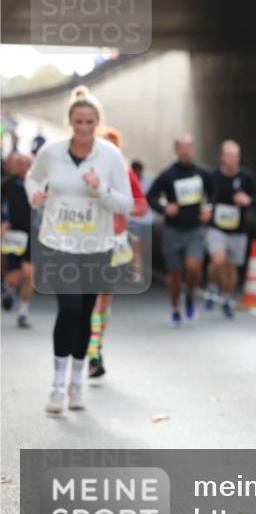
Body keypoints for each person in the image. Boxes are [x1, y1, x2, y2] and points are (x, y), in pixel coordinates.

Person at [25, 86, 133, 414]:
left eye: (89, 122)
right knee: (69, 308)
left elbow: (126, 203)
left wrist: (100, 188)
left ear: (98, 122)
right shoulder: (51, 152)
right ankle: (57, 385)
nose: (83, 127)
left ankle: (76, 385)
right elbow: (32, 178)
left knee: (86, 313)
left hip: (96, 244)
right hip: (58, 241)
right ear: (69, 122)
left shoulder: (110, 156)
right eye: (78, 121)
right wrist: (35, 195)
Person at [86, 126, 148, 378]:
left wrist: (125, 206)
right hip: (89, 241)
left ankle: (96, 346)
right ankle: (93, 353)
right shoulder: (88, 172)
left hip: (116, 241)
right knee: (95, 300)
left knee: (105, 300)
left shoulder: (125, 172)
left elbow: (142, 205)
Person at [145, 135, 211, 326]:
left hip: (195, 229)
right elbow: (150, 196)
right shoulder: (168, 175)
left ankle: (189, 294)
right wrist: (164, 208)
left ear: (193, 149)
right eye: (181, 147)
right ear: (175, 150)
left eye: (188, 147)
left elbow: (215, 193)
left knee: (193, 268)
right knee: (174, 273)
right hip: (173, 230)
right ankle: (175, 307)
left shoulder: (202, 173)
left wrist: (209, 208)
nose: (185, 150)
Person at [203, 140, 256, 318]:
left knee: (231, 269)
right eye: (230, 155)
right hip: (216, 228)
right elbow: (204, 197)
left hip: (238, 230)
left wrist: (248, 200)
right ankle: (212, 287)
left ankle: (226, 296)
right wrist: (206, 208)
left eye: (236, 156)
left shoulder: (246, 177)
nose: (234, 159)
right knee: (218, 260)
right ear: (221, 157)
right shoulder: (212, 177)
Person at [1, 152, 35, 328]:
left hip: (33, 234)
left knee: (29, 273)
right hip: (14, 235)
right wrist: (2, 222)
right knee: (14, 278)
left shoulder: (40, 185)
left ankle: (23, 312)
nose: (24, 166)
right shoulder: (6, 184)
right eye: (21, 163)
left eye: (28, 163)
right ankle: (10, 289)